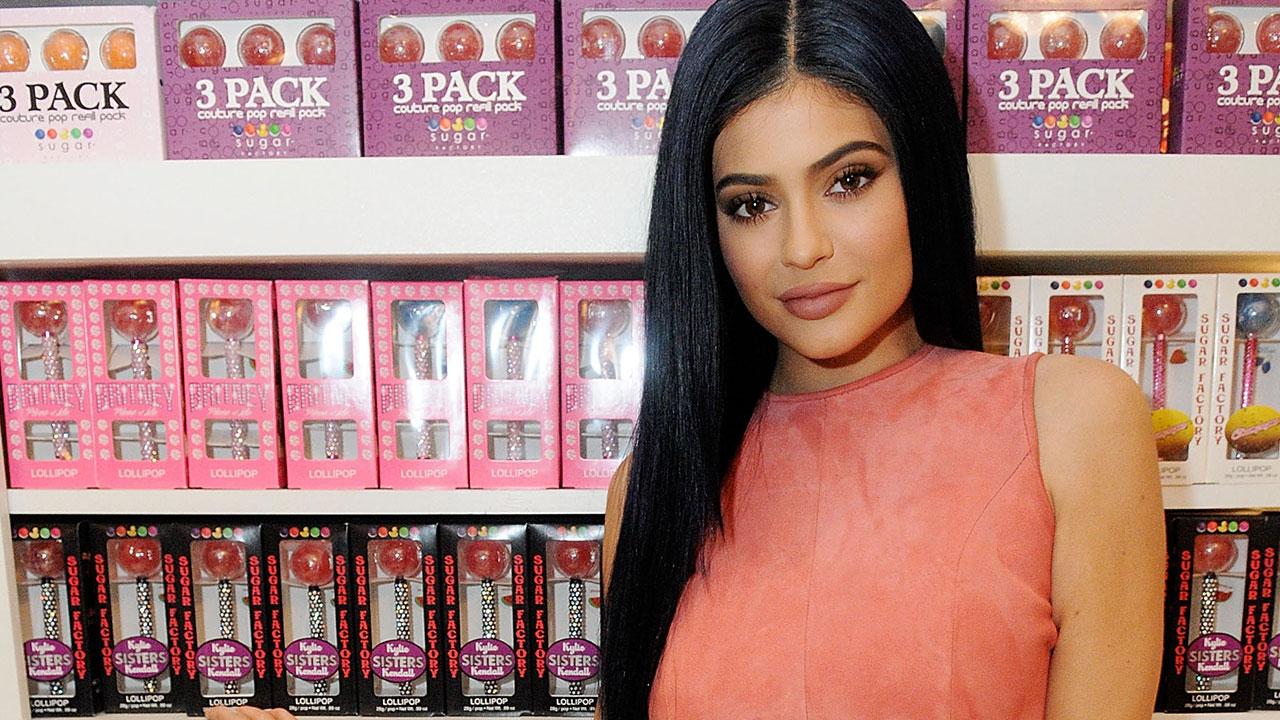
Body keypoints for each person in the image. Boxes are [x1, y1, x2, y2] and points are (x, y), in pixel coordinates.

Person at [209, 0, 1164, 719]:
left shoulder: (1071, 424)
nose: (802, 247)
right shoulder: (654, 487)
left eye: (849, 180)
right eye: (751, 204)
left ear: (922, 173)